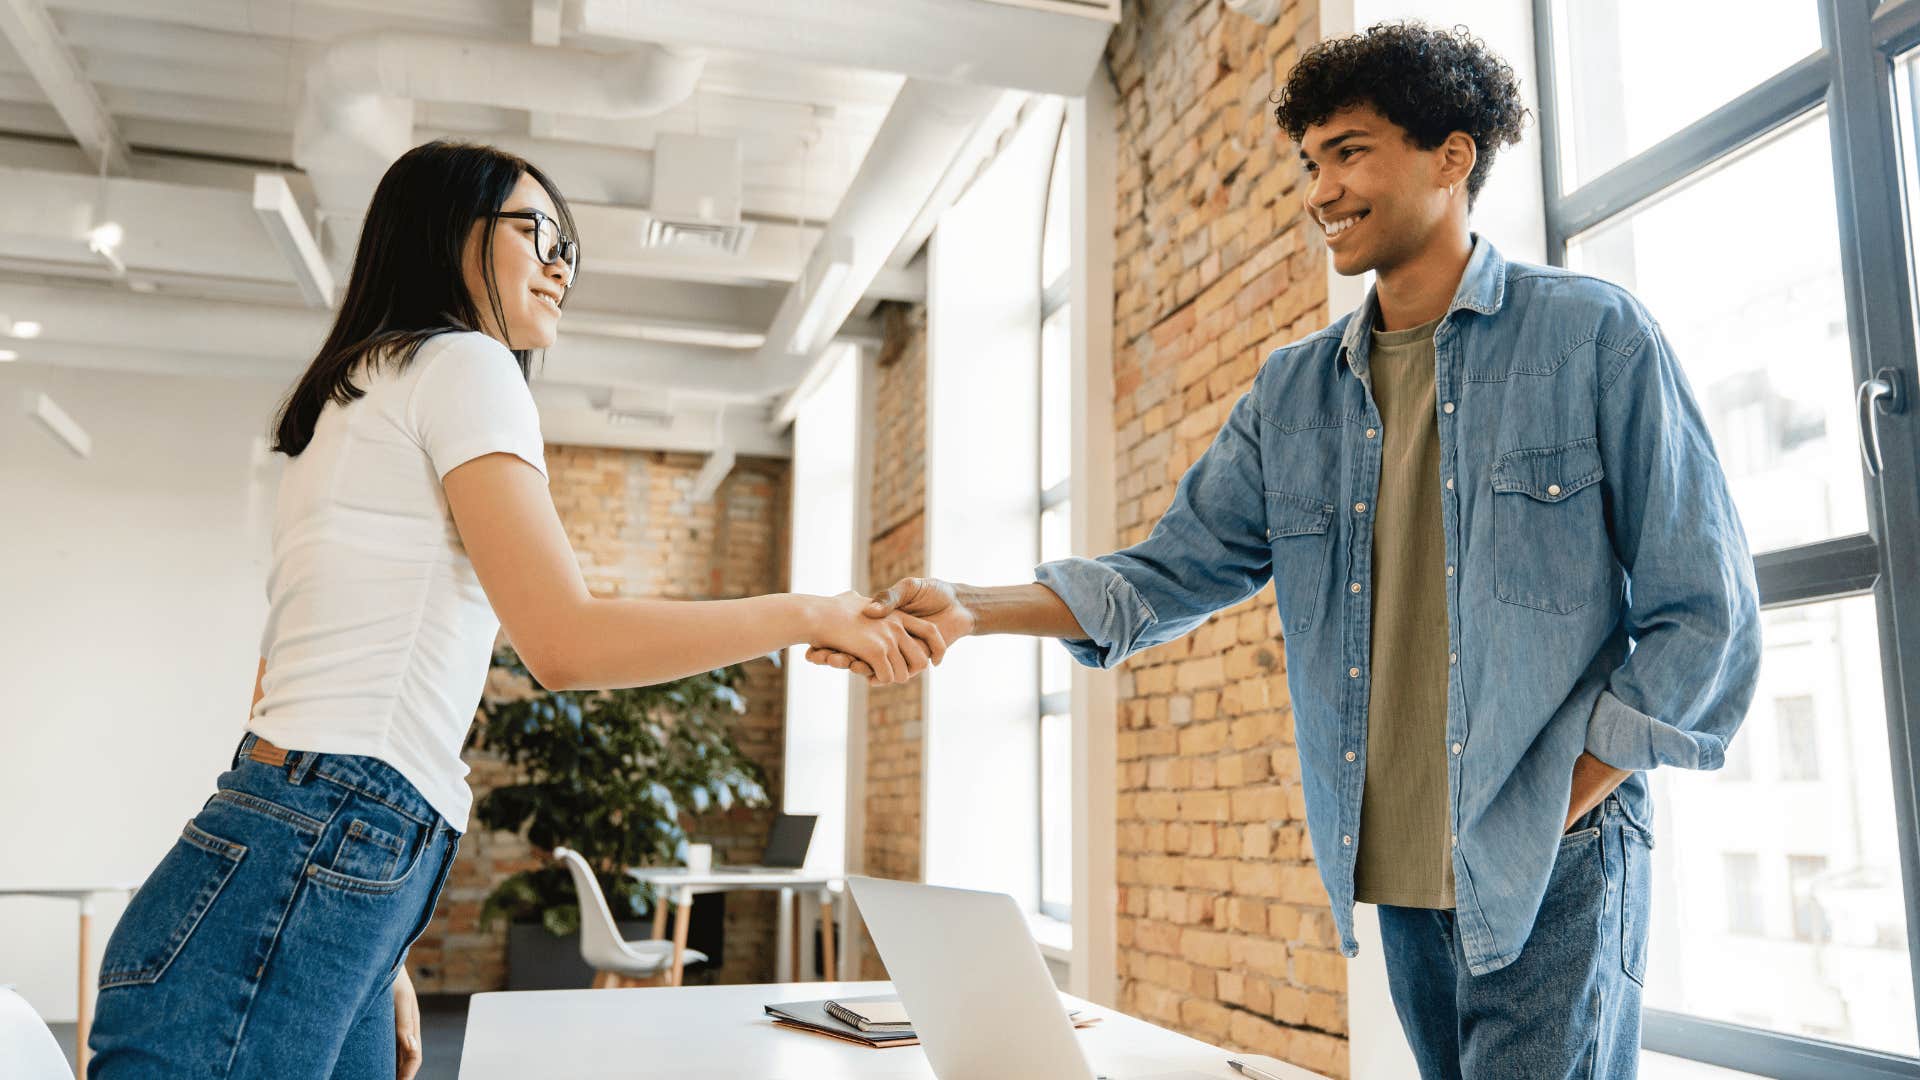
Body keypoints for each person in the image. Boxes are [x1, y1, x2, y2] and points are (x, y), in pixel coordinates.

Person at [811, 23, 1761, 1080]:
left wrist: (1565, 792)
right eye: (1312, 161)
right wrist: (974, 605)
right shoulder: (1291, 393)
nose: (1321, 188)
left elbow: (1704, 609)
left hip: (1560, 858)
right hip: (1400, 871)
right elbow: (1169, 572)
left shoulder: (1594, 337)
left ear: (1454, 156)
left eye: (1350, 151)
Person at [87, 140, 945, 1080]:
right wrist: (810, 611)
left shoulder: (360, 394)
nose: (560, 261)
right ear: (444, 231)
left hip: (317, 840)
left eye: (568, 243)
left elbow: (280, 681)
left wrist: (380, 947)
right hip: (327, 836)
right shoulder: (462, 363)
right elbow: (564, 642)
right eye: (533, 230)